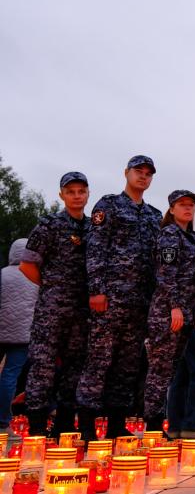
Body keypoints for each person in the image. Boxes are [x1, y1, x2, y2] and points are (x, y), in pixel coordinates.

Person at [77, 155, 161, 439]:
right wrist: (97, 290)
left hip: (139, 303)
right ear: (126, 173)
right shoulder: (109, 205)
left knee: (127, 364)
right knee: (99, 361)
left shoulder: (153, 215)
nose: (143, 177)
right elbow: (96, 248)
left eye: (148, 173)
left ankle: (116, 424)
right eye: (139, 172)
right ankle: (87, 427)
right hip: (110, 299)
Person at [18, 172, 90, 438]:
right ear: (61, 194)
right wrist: (52, 287)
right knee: (43, 366)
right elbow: (27, 265)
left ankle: (64, 424)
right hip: (52, 310)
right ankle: (37, 425)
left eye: (81, 191)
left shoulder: (93, 227)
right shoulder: (49, 225)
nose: (76, 196)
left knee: (75, 367)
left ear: (87, 194)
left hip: (82, 312)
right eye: (70, 191)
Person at [142, 190, 195, 435]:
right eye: (182, 205)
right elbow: (166, 274)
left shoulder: (193, 238)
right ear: (172, 209)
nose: (188, 209)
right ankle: (153, 426)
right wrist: (174, 307)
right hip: (169, 314)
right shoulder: (169, 234)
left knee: (175, 371)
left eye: (191, 205)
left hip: (187, 315)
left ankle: (175, 426)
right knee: (159, 371)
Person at [0, 239, 38, 437]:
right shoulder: (35, 276)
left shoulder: (2, 275)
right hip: (23, 335)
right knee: (10, 376)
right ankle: (3, 422)